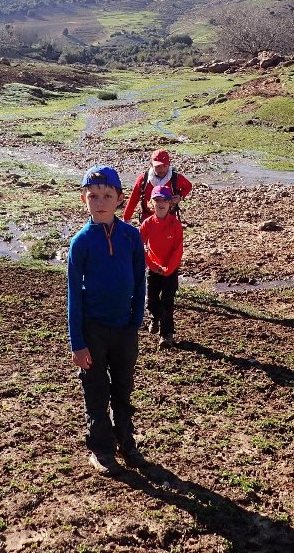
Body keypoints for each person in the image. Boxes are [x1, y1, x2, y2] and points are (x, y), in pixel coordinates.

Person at [67, 165, 147, 476]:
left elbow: (140, 280)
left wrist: (136, 318)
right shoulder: (81, 242)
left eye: (107, 196)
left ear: (119, 199)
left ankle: (127, 444)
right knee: (96, 391)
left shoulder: (131, 236)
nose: (100, 202)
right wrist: (78, 343)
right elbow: (74, 294)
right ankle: (101, 449)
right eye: (93, 196)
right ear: (83, 199)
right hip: (93, 331)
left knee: (123, 389)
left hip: (125, 329)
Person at [138, 184, 184, 348]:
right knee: (150, 301)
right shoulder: (148, 223)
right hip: (153, 269)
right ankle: (154, 318)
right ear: (151, 203)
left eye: (164, 200)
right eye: (157, 200)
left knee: (167, 302)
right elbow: (138, 247)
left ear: (170, 203)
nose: (161, 203)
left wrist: (168, 269)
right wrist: (152, 265)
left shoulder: (176, 225)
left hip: (170, 271)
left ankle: (167, 335)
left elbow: (178, 250)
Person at [122, 148, 193, 223]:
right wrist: (126, 218)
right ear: (151, 164)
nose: (161, 169)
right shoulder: (144, 179)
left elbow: (188, 186)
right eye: (158, 166)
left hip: (169, 219)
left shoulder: (176, 178)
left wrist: (180, 196)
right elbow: (133, 199)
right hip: (148, 218)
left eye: (164, 166)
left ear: (169, 164)